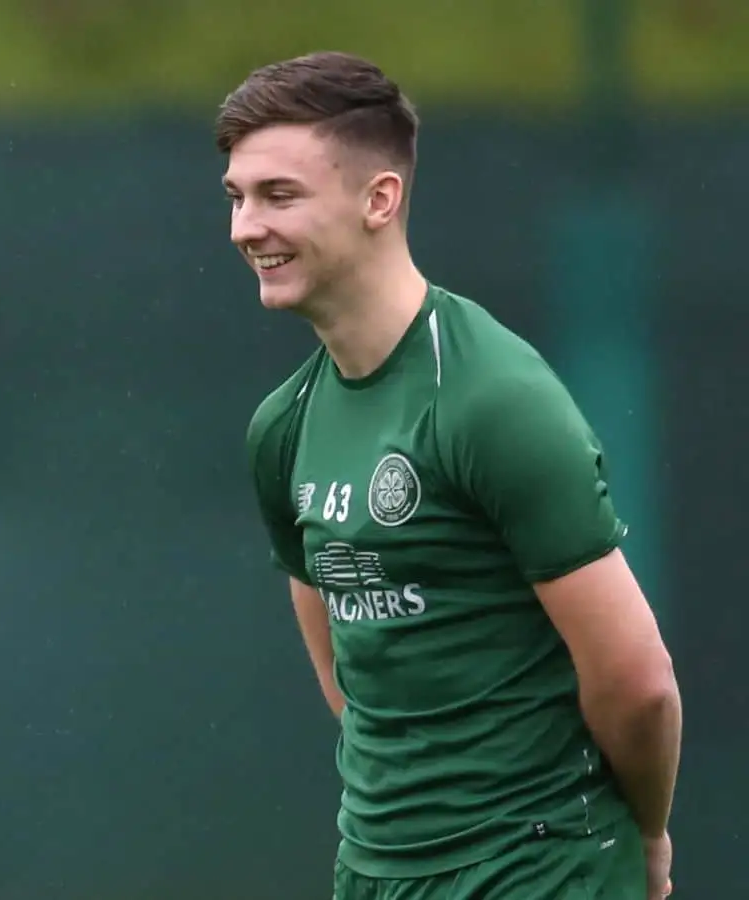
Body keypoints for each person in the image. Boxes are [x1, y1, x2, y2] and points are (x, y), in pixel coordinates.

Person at [226, 53, 681, 900]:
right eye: (238, 197)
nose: (246, 226)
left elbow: (638, 684)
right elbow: (348, 665)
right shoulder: (281, 430)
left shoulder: (491, 399)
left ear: (379, 199)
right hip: (375, 870)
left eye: (279, 195)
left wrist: (646, 833)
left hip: (539, 866)